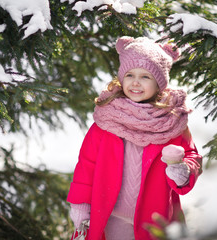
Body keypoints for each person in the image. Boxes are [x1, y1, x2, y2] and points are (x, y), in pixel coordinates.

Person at [67, 36, 203, 240]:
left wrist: (183, 170)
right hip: (109, 216)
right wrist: (80, 204)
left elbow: (193, 156)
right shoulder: (106, 120)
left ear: (159, 84)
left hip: (155, 220)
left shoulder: (171, 122)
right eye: (130, 75)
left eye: (146, 77)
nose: (136, 83)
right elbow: (87, 165)